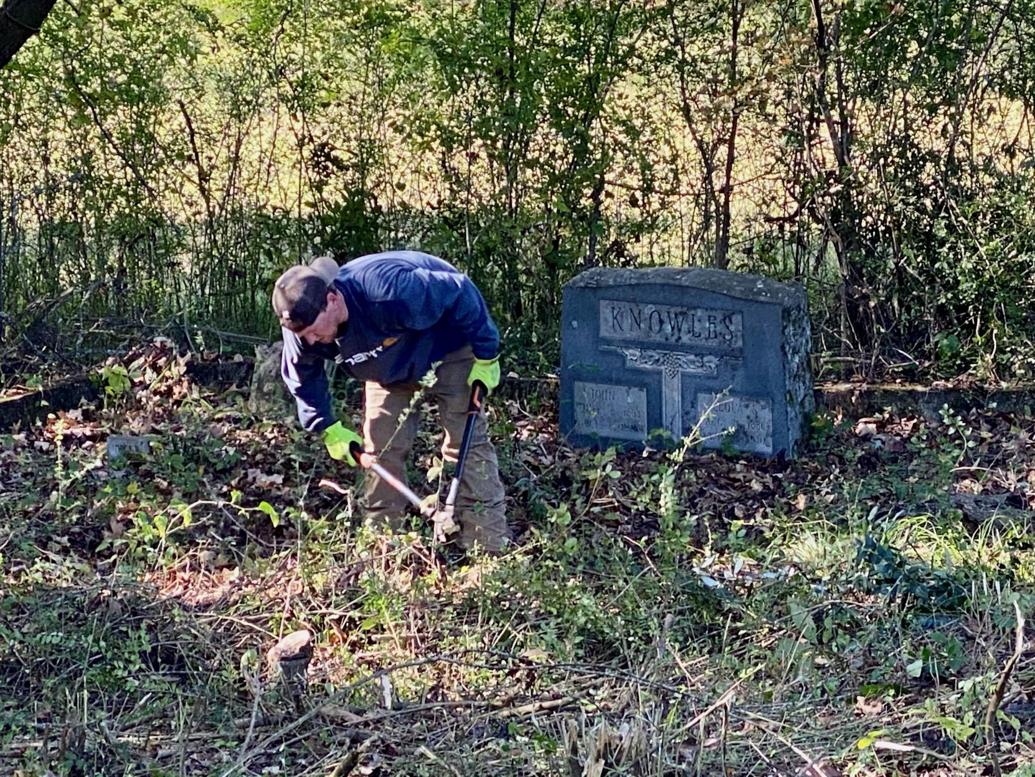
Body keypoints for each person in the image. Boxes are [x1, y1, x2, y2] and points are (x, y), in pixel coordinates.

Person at [272, 251, 510, 554]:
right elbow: (302, 377)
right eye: (303, 335)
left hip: (447, 347)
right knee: (380, 450)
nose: (311, 340)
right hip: (385, 370)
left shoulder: (387, 291)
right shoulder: (302, 330)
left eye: (315, 331)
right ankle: (384, 545)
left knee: (465, 442)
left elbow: (459, 290)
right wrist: (326, 426)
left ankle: (486, 545)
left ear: (332, 299)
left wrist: (487, 354)